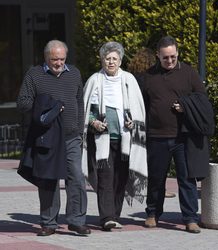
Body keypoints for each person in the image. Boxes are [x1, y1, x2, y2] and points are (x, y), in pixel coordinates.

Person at [17, 40, 91, 236]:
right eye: (54, 59)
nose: (58, 63)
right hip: (47, 137)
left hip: (71, 136)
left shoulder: (74, 73)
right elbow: (23, 102)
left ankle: (77, 220)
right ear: (46, 57)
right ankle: (49, 223)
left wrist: (80, 130)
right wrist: (46, 107)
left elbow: (79, 102)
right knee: (48, 179)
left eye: (62, 59)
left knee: (76, 176)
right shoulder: (35, 74)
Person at [141, 35, 214, 233]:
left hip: (183, 136)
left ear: (177, 53)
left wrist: (185, 106)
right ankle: (152, 214)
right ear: (158, 55)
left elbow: (202, 99)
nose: (170, 61)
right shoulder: (148, 76)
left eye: (173, 56)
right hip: (156, 135)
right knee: (156, 178)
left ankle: (190, 218)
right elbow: (142, 105)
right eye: (166, 58)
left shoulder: (189, 73)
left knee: (186, 179)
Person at [82, 41, 147, 231]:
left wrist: (132, 122)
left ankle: (115, 214)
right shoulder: (95, 80)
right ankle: (107, 217)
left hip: (125, 139)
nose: (111, 62)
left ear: (120, 61)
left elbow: (138, 110)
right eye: (107, 58)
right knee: (105, 178)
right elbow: (87, 109)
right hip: (102, 140)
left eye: (114, 59)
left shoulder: (129, 80)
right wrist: (93, 122)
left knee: (121, 178)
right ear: (102, 60)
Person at [128, 47, 176, 199]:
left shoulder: (133, 77)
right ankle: (158, 188)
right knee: (156, 161)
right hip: (151, 122)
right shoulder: (152, 77)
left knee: (138, 154)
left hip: (136, 120)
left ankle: (136, 186)